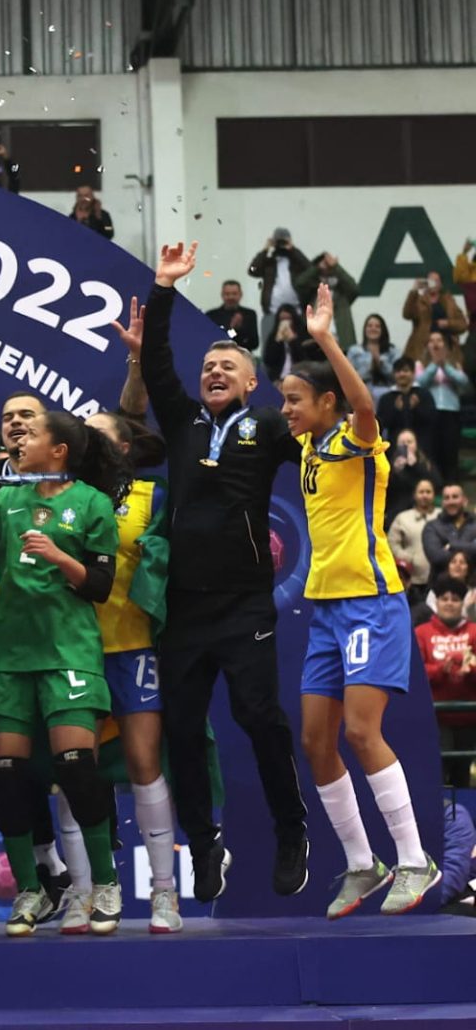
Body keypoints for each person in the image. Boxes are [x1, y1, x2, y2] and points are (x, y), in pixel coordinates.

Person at [138, 240, 309, 904]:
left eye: (226, 365)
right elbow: (155, 361)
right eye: (207, 364)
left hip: (243, 606)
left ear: (248, 383)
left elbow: (318, 455)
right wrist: (162, 287)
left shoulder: (266, 427)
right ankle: (204, 844)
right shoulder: (181, 422)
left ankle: (292, 831)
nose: (212, 371)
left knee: (259, 716)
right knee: (181, 729)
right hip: (183, 608)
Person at [285, 282, 440, 917]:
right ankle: (361, 863)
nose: (287, 409)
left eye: (297, 400)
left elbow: (364, 403)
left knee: (359, 730)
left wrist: (325, 337)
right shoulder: (307, 445)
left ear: (327, 403)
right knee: (316, 741)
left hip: (371, 603)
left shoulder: (357, 441)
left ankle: (414, 860)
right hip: (325, 609)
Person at [0, 411, 128, 936]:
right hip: (7, 653)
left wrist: (57, 555)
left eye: (31, 435)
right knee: (7, 774)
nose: (18, 441)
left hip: (68, 650)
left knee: (76, 766)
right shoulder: (6, 499)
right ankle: (31, 890)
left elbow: (99, 584)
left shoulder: (93, 503)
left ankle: (104, 883)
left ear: (59, 451)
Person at [86, 409, 181, 933]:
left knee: (145, 762)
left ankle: (164, 893)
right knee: (76, 769)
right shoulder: (66, 494)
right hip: (77, 649)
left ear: (123, 446)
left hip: (135, 645)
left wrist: (159, 555)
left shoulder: (153, 495)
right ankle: (87, 890)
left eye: (98, 436)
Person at [417, 576, 476, 788]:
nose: (449, 603)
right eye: (444, 598)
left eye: (455, 599)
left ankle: (463, 820)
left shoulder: (474, 631)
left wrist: (471, 669)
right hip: (434, 720)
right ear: (436, 602)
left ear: (462, 604)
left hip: (469, 720)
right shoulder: (421, 633)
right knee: (437, 777)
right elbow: (415, 673)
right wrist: (441, 669)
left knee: (463, 779)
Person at [416, 332, 468, 482]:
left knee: (450, 451)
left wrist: (445, 365)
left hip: (450, 413)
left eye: (439, 340)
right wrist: (434, 365)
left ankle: (452, 485)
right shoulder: (421, 364)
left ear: (445, 345)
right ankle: (435, 486)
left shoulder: (454, 363)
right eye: (431, 341)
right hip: (429, 412)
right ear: (427, 345)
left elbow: (463, 382)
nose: (436, 344)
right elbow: (420, 383)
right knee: (432, 450)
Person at [247, 228, 310, 337]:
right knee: (269, 348)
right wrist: (265, 249)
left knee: (299, 347)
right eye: (279, 241)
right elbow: (252, 270)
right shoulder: (269, 261)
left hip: (297, 313)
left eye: (283, 241)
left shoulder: (296, 262)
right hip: (272, 312)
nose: (281, 244)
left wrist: (293, 249)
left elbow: (310, 270)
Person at [295, 252, 361, 346]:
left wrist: (336, 267)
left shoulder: (342, 293)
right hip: (315, 345)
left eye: (329, 267)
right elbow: (299, 284)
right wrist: (317, 268)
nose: (327, 268)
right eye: (324, 265)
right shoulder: (312, 292)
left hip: (340, 344)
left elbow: (355, 289)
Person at [389, 479, 440, 597]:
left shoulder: (441, 515)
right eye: (421, 492)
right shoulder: (402, 518)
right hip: (411, 580)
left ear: (433, 495)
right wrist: (406, 557)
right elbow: (392, 543)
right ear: (414, 495)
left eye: (428, 492)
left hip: (438, 580)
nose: (425, 495)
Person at [376, 358, 436, 457]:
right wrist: (396, 410)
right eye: (398, 371)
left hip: (422, 445)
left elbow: (432, 419)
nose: (402, 374)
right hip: (394, 446)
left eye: (406, 371)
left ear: (413, 373)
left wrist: (416, 408)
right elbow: (382, 424)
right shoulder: (386, 398)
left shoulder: (424, 394)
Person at [384, 429, 442, 526]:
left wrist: (415, 466)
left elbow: (437, 484)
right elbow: (386, 490)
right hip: (397, 510)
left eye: (409, 442)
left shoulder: (425, 463)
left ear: (416, 444)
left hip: (422, 508)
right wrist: (395, 471)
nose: (406, 445)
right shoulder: (390, 464)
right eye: (402, 442)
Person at [424, 483, 476, 581]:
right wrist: (470, 548)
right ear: (442, 503)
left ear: (465, 501)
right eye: (446, 498)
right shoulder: (432, 527)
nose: (450, 501)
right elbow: (436, 557)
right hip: (440, 589)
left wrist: (452, 545)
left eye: (455, 497)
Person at [346, 315, 397, 401]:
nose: (373, 329)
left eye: (377, 326)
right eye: (370, 326)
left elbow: (398, 376)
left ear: (383, 330)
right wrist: (370, 365)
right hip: (362, 394)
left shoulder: (393, 351)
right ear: (365, 329)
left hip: (390, 394)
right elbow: (349, 377)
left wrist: (381, 363)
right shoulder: (354, 351)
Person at [204, 279, 260, 354]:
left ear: (240, 295)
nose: (231, 297)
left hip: (242, 356)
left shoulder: (249, 314)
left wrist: (238, 329)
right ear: (222, 295)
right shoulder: (213, 315)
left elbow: (254, 343)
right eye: (227, 294)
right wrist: (233, 329)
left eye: (234, 294)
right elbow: (213, 341)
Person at [263, 306, 314, 384]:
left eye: (288, 319)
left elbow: (304, 358)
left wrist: (293, 341)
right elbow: (268, 361)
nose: (285, 322)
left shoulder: (303, 333)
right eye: (282, 320)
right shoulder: (273, 336)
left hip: (299, 376)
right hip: (279, 378)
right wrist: (277, 341)